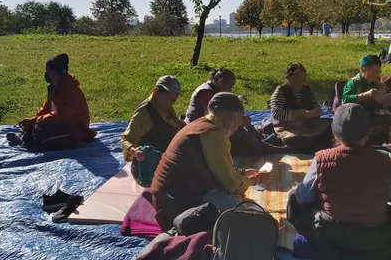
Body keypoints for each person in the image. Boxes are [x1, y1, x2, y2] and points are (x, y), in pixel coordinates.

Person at [287, 104, 391, 260]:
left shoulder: (322, 158)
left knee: (294, 200)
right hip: (374, 241)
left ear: (335, 133)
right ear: (367, 133)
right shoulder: (383, 161)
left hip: (332, 238)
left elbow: (303, 197)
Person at [151, 92, 273, 230]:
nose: (235, 129)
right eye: (238, 123)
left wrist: (242, 173)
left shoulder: (202, 125)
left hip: (172, 195)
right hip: (175, 205)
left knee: (235, 199)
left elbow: (213, 166)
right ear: (232, 118)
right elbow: (232, 184)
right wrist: (256, 180)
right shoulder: (212, 134)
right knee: (244, 211)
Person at [185, 68, 287, 156]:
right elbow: (214, 118)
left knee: (244, 128)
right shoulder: (206, 92)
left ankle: (263, 141)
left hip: (210, 128)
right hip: (201, 133)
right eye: (230, 86)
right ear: (221, 82)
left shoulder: (214, 90)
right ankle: (267, 147)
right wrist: (238, 122)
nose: (231, 89)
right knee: (240, 136)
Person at [6, 53, 96, 151]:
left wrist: (36, 121)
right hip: (62, 124)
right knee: (39, 125)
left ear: (58, 73)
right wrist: (33, 121)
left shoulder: (71, 91)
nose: (46, 74)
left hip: (75, 129)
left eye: (49, 71)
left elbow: (61, 116)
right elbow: (46, 108)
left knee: (43, 133)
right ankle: (25, 136)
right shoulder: (56, 88)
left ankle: (27, 139)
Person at [121, 76, 183, 185]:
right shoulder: (143, 113)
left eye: (174, 100)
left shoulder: (166, 107)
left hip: (167, 158)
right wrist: (134, 152)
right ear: (156, 92)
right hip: (148, 166)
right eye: (169, 99)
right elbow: (126, 139)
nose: (171, 103)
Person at [269, 63, 332, 153]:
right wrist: (298, 113)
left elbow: (317, 107)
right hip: (288, 126)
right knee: (302, 142)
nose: (301, 81)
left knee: (332, 125)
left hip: (307, 124)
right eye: (297, 79)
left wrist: (314, 112)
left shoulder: (307, 89)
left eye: (303, 79)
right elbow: (276, 114)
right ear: (288, 78)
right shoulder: (281, 91)